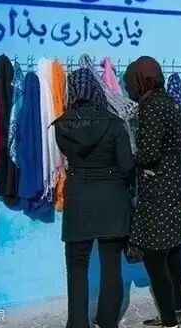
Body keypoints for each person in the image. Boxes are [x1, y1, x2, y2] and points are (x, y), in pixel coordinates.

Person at [54, 68, 135, 328]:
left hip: (78, 198)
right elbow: (127, 165)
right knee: (111, 264)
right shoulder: (115, 123)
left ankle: (78, 323)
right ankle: (107, 320)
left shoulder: (62, 124)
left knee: (77, 266)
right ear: (96, 90)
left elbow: (70, 157)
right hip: (113, 199)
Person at [124, 56, 181, 328]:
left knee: (155, 259)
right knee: (175, 250)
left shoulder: (151, 106)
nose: (129, 88)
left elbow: (150, 153)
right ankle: (175, 313)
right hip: (177, 184)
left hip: (160, 190)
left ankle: (169, 322)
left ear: (140, 80)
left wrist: (130, 160)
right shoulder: (169, 101)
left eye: (131, 82)